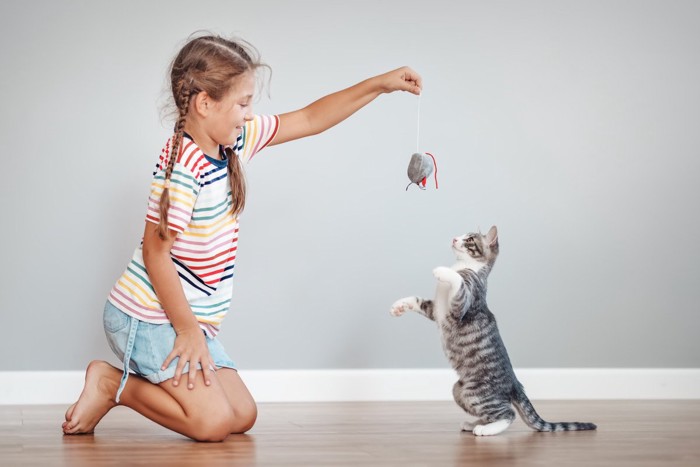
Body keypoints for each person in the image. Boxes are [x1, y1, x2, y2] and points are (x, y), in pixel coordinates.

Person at [62, 34, 422, 442]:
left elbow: (308, 118)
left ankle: (136, 378)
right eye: (243, 102)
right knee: (212, 423)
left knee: (242, 415)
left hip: (185, 320)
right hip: (146, 317)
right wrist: (188, 331)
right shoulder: (184, 166)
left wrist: (380, 84)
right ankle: (112, 386)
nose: (249, 114)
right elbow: (155, 252)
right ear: (204, 103)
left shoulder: (231, 143)